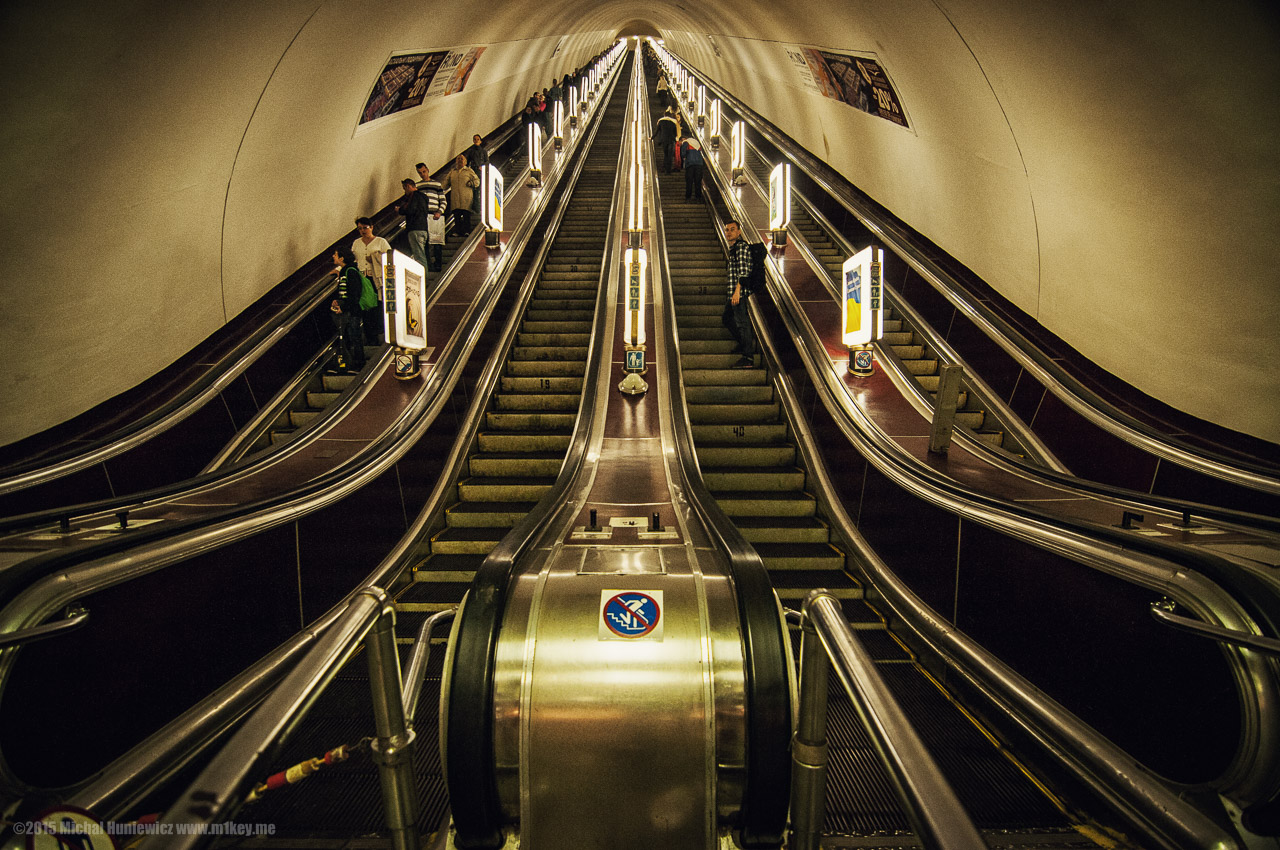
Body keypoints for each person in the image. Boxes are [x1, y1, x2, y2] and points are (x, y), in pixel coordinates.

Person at [722, 220, 756, 369]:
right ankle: (743, 344)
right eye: (727, 230)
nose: (729, 232)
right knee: (727, 318)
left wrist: (737, 292)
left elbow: (744, 272)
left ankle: (748, 357)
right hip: (733, 293)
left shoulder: (741, 247)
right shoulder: (734, 249)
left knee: (742, 323)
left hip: (738, 294)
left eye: (732, 229)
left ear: (739, 232)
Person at [352, 217, 390, 343]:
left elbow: (390, 258)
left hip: (376, 278)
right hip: (362, 278)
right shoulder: (356, 243)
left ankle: (379, 333)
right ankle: (370, 336)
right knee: (365, 306)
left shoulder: (381, 241)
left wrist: (374, 258)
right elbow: (352, 259)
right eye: (360, 229)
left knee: (377, 305)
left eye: (365, 228)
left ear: (372, 227)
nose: (363, 231)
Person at [330, 246, 366, 373]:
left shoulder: (351, 271)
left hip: (352, 312)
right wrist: (337, 301)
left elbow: (354, 294)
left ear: (342, 258)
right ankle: (348, 364)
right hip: (347, 311)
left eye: (335, 254)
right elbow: (344, 292)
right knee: (349, 337)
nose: (333, 256)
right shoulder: (345, 271)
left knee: (354, 337)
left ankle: (359, 364)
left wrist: (343, 307)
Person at [394, 178, 430, 272]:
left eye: (404, 188)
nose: (404, 191)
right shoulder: (424, 197)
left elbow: (410, 209)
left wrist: (400, 210)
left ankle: (423, 277)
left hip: (415, 228)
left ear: (408, 186)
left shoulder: (413, 196)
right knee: (423, 254)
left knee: (419, 256)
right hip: (424, 228)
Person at [415, 162, 446, 271]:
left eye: (424, 171)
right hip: (423, 217)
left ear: (427, 170)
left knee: (437, 241)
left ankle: (438, 264)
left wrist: (439, 212)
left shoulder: (437, 184)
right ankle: (428, 265)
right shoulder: (417, 186)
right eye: (420, 173)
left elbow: (443, 201)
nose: (422, 174)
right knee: (425, 242)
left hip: (435, 215)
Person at [444, 154, 479, 234]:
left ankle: (467, 231)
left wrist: (471, 183)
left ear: (465, 162)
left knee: (466, 215)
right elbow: (445, 183)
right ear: (456, 161)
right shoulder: (452, 172)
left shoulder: (469, 171)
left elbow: (477, 181)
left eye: (462, 159)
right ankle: (458, 232)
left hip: (466, 198)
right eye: (458, 159)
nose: (460, 160)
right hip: (455, 198)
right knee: (457, 216)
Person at [463, 135, 489, 216]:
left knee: (481, 189)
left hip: (481, 172)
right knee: (475, 190)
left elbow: (487, 161)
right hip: (473, 173)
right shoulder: (471, 151)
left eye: (478, 139)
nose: (476, 140)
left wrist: (482, 166)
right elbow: (467, 162)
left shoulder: (483, 151)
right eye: (475, 139)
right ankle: (476, 208)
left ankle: (481, 207)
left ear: (480, 141)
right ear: (473, 141)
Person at [652, 108, 679, 174]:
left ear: (664, 115)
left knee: (666, 154)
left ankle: (664, 168)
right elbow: (675, 134)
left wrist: (652, 138)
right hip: (671, 141)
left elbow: (657, 131)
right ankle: (668, 170)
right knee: (670, 156)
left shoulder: (661, 122)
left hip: (664, 140)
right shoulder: (673, 122)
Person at [682, 136, 705, 200]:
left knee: (689, 181)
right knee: (698, 181)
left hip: (690, 164)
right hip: (699, 164)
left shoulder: (686, 142)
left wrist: (684, 159)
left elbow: (683, 153)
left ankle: (688, 197)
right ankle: (698, 197)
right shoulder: (697, 143)